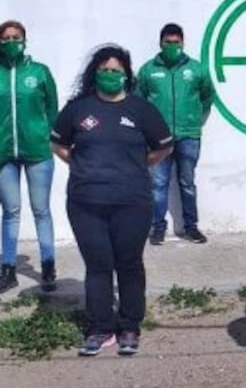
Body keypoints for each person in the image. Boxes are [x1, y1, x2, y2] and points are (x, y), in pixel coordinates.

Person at [50, 44, 173, 356]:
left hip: (132, 202)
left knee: (129, 263)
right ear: (95, 73)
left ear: (126, 75)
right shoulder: (78, 108)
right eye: (104, 70)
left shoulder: (141, 109)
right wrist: (83, 167)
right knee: (98, 265)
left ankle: (130, 325)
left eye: (115, 71)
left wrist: (137, 164)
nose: (109, 75)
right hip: (85, 203)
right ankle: (100, 328)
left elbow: (163, 147)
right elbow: (59, 145)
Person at [135, 23, 214, 245]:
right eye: (168, 42)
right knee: (158, 184)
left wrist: (196, 120)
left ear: (183, 43)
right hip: (158, 139)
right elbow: (138, 101)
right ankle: (158, 228)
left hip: (188, 135)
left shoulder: (197, 69)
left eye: (176, 42)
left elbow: (208, 97)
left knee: (187, 183)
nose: (172, 46)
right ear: (160, 43)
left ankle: (191, 227)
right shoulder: (148, 70)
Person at [0, 21, 59, 293]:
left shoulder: (39, 72)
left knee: (41, 210)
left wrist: (49, 138)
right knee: (10, 212)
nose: (11, 41)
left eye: (16, 37)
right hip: (3, 153)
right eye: (6, 37)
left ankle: (48, 266)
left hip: (38, 152)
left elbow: (52, 108)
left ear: (25, 40)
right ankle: (8, 269)